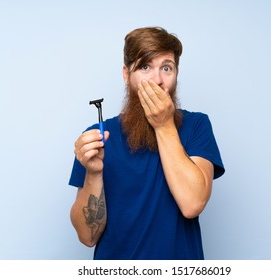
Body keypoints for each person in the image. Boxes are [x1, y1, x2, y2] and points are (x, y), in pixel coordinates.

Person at [69, 27, 225, 260]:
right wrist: (93, 174)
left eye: (166, 68)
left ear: (176, 73)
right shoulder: (97, 137)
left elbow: (192, 204)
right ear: (126, 74)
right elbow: (87, 236)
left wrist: (164, 125)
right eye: (145, 67)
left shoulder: (197, 126)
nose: (158, 80)